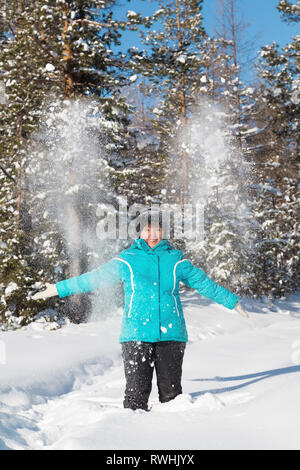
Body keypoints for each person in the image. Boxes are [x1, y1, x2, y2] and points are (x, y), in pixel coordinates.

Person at [32, 211, 248, 411]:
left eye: (158, 230)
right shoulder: (127, 260)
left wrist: (231, 301)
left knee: (172, 398)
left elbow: (204, 284)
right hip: (136, 334)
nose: (153, 234)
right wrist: (58, 289)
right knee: (135, 398)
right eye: (147, 230)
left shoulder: (176, 260)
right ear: (139, 233)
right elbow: (94, 279)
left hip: (171, 335)